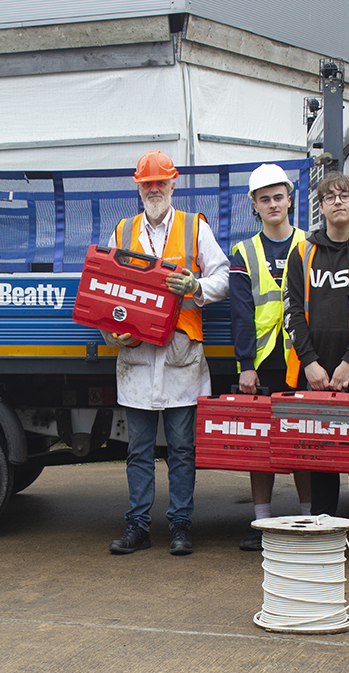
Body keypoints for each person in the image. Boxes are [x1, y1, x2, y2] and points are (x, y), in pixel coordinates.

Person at [104, 150, 230, 556]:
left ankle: (180, 525)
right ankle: (138, 526)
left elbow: (223, 278)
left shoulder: (195, 228)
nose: (154, 188)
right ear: (138, 188)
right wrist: (112, 334)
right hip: (138, 360)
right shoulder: (123, 232)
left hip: (180, 358)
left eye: (161, 182)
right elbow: (106, 290)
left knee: (181, 450)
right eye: (147, 183)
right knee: (138, 450)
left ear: (173, 185)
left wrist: (195, 287)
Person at [283, 173, 349, 565]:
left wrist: (348, 363)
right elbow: (292, 311)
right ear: (322, 206)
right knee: (321, 460)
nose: (338, 202)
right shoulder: (303, 252)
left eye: (345, 196)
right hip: (314, 377)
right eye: (329, 197)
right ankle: (324, 537)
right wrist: (310, 363)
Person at [230, 163, 312, 551]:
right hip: (263, 365)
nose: (273, 204)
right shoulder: (243, 252)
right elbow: (241, 314)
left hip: (303, 362)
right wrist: (246, 365)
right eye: (265, 199)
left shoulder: (311, 244)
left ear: (290, 199)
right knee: (261, 446)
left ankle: (309, 518)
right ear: (254, 206)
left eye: (279, 196)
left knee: (304, 442)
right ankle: (261, 523)